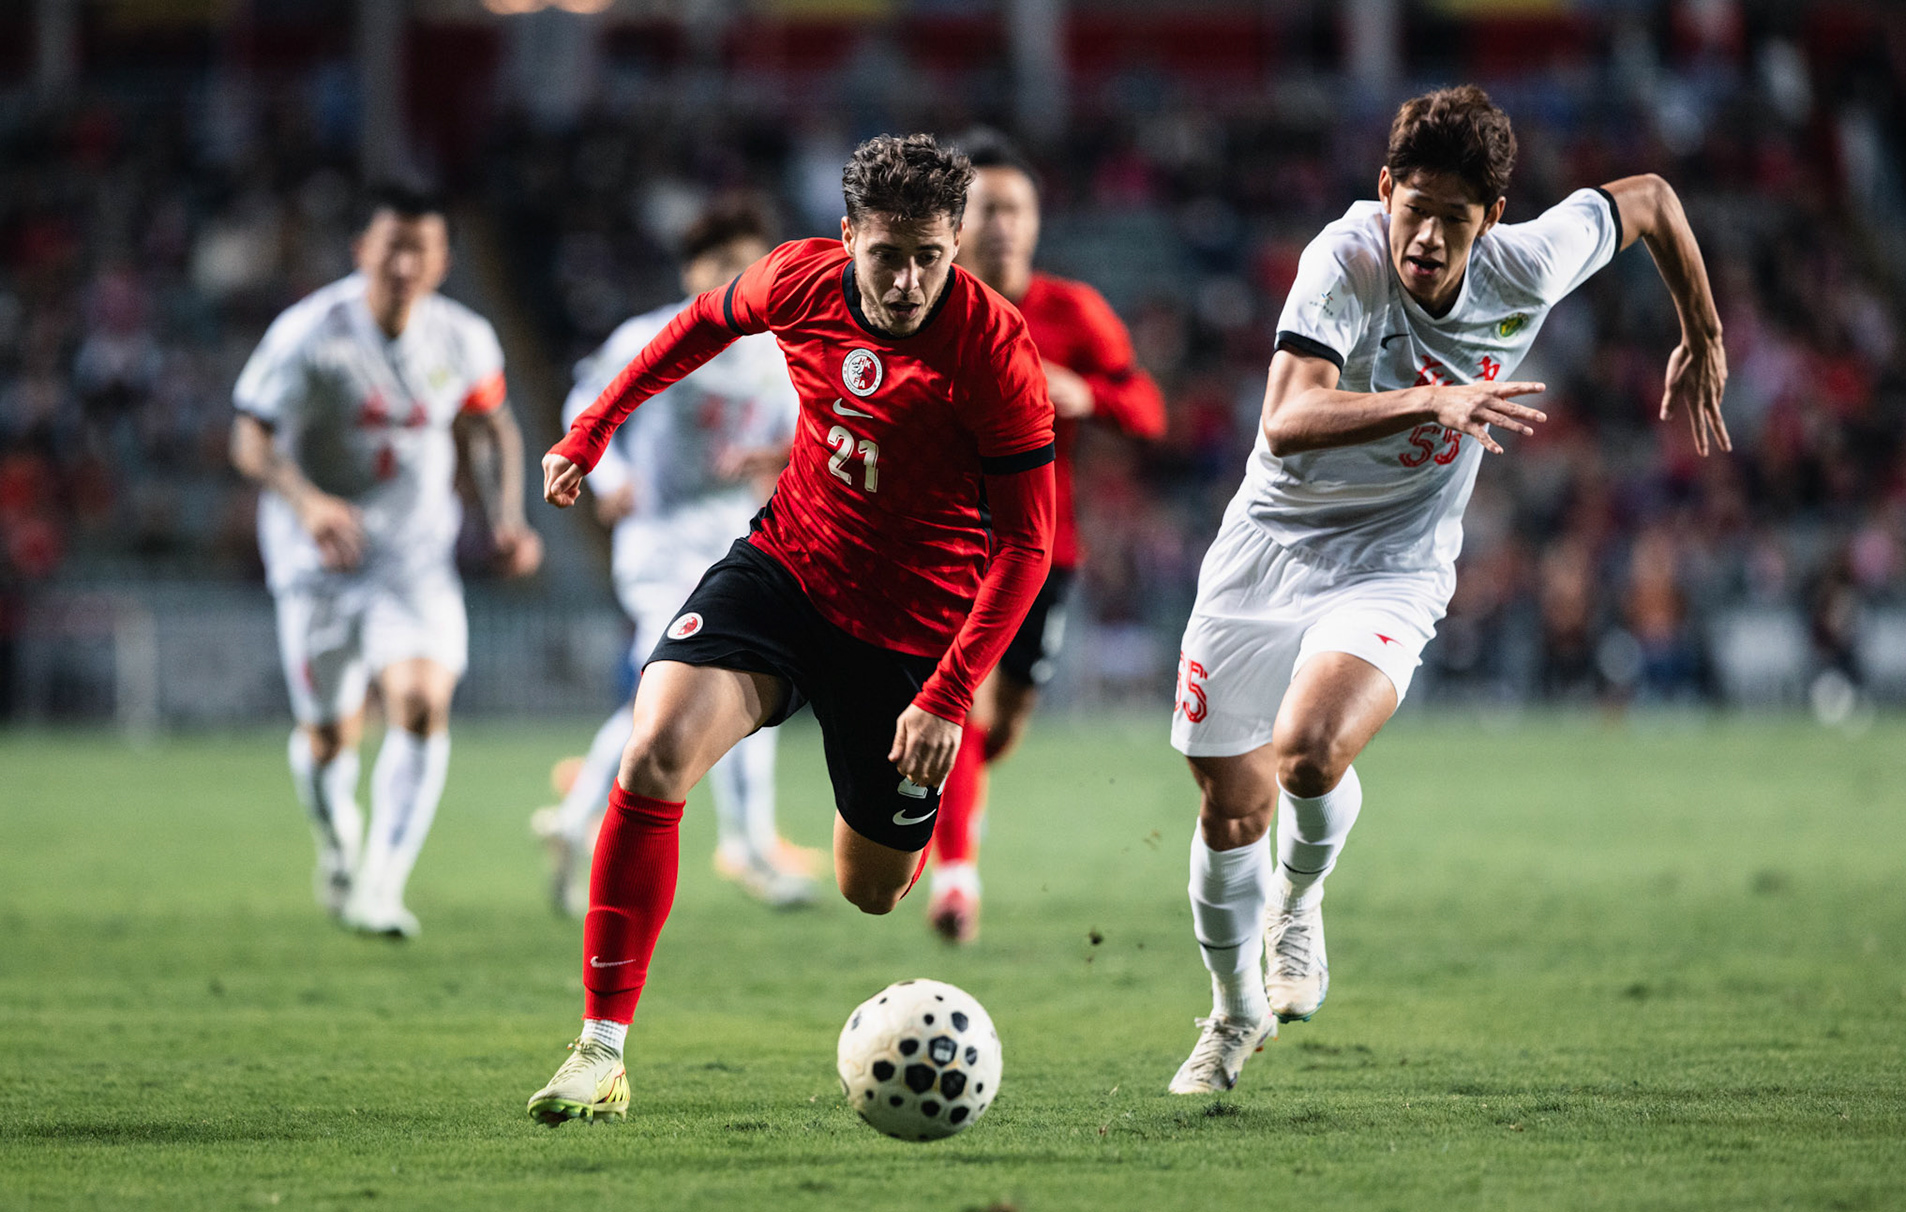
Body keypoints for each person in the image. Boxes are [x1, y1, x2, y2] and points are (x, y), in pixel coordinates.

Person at [1167, 86, 1730, 1093]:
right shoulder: (1343, 260)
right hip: (1268, 546)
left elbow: (1649, 198)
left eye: (1454, 220)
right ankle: (1234, 1011)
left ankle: (1299, 901)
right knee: (1227, 806)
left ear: (1493, 218)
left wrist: (1704, 328)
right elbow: (1286, 420)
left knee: (1308, 753)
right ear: (1385, 189)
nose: (1426, 237)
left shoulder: (1528, 264)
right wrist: (1433, 398)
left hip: (1394, 558)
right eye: (1414, 209)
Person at [525, 134, 1056, 1124]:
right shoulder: (797, 279)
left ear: (955, 246)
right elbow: (697, 325)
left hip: (910, 634)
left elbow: (1029, 544)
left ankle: (881, 817)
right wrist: (593, 429)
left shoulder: (993, 349)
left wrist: (948, 693)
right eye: (886, 256)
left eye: (929, 259)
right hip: (787, 570)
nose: (906, 283)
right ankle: (600, 1049)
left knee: (873, 889)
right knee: (655, 752)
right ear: (847, 235)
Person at [230, 183, 544, 938]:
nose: (404, 264)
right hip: (318, 558)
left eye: (420, 249)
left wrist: (507, 518)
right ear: (362, 251)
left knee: (423, 702)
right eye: (391, 247)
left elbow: (491, 426)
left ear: (443, 261)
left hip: (413, 558)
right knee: (329, 737)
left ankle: (381, 883)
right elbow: (250, 438)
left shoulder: (463, 338)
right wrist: (309, 504)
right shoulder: (309, 334)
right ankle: (337, 838)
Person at [531, 198, 822, 915]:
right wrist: (611, 476)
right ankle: (744, 846)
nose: (735, 278)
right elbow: (584, 403)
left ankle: (584, 823)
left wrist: (775, 457)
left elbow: (810, 435)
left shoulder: (781, 351)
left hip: (739, 542)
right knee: (686, 690)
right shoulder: (653, 335)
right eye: (720, 265)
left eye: (747, 265)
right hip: (658, 543)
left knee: (730, 688)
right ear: (692, 273)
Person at [926, 131, 1166, 943]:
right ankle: (956, 879)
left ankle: (957, 803)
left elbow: (1148, 410)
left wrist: (1089, 396)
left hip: (1043, 549)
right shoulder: (924, 306)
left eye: (1016, 209)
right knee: (962, 700)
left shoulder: (1072, 312)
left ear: (1035, 220)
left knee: (1002, 723)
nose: (1003, 225)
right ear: (953, 222)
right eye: (986, 209)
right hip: (948, 541)